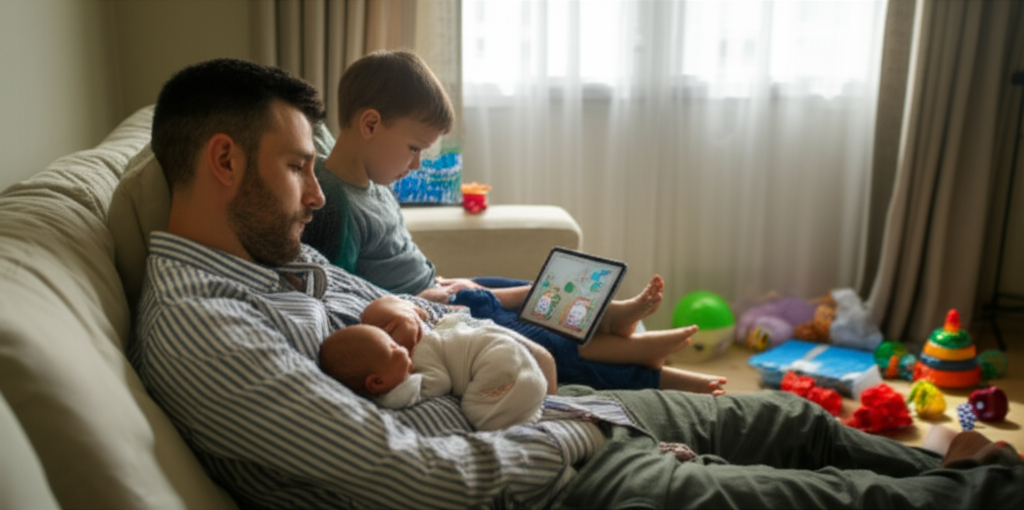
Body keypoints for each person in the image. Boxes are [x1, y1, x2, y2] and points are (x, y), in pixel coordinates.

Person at [129, 57, 1024, 509]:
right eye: (295, 167)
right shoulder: (205, 325)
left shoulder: (279, 260)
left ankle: (946, 460)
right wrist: (577, 441)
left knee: (783, 417)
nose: (317, 193)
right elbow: (415, 482)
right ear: (221, 161)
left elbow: (404, 302)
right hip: (541, 483)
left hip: (548, 418)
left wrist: (490, 319)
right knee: (816, 497)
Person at [302, 49, 726, 394]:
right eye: (414, 148)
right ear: (371, 124)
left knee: (525, 288)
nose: (415, 165)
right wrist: (427, 298)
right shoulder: (334, 202)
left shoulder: (373, 185)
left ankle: (611, 317)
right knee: (540, 335)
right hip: (430, 313)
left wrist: (448, 282)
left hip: (442, 288)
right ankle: (658, 373)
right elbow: (346, 293)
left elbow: (395, 258)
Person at [319, 296, 553, 431]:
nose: (403, 349)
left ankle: (526, 418)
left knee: (479, 414)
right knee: (499, 407)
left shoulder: (421, 352)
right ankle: (530, 414)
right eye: (393, 350)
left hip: (499, 356)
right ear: (377, 381)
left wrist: (396, 393)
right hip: (510, 359)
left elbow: (440, 381)